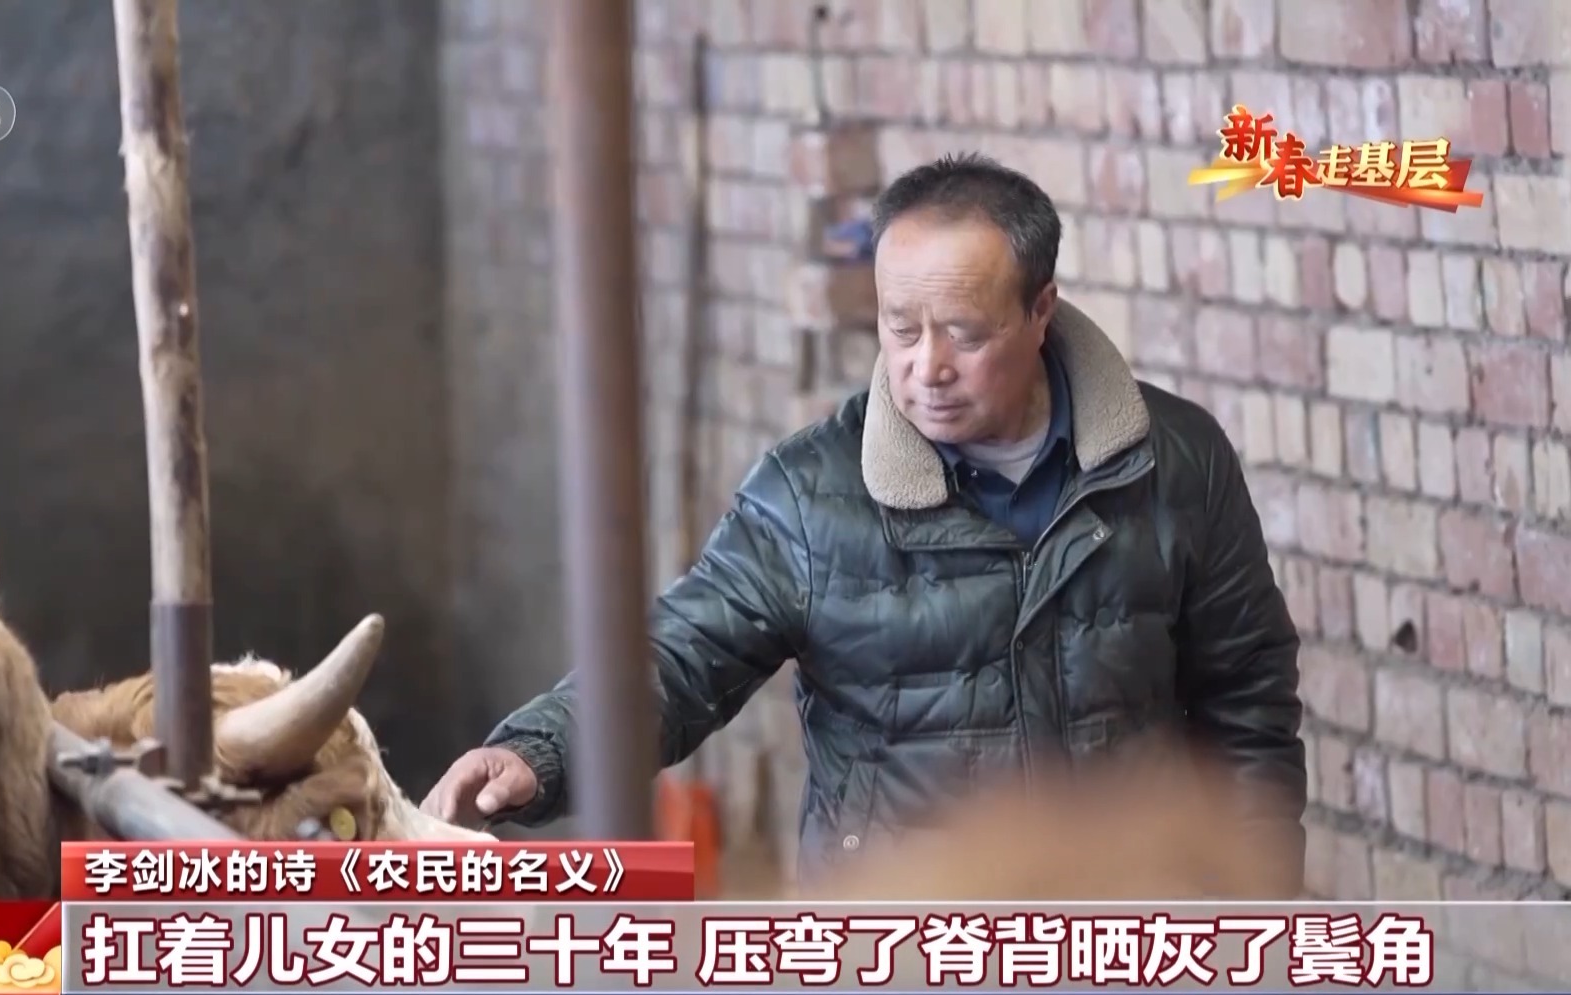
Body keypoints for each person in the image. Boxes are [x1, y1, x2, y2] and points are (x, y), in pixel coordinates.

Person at [420, 152, 1307, 893]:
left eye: (964, 333)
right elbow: (682, 653)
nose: (928, 367)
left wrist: (1253, 912)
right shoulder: (812, 496)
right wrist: (542, 748)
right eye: (900, 328)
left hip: (1124, 927)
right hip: (895, 935)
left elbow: (1247, 701)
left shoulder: (1171, 462)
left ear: (1041, 309)